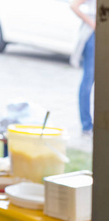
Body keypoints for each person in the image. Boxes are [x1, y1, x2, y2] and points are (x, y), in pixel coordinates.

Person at [70, 0, 97, 136]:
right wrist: (93, 23)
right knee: (88, 80)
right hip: (93, 35)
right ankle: (86, 124)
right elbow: (74, 5)